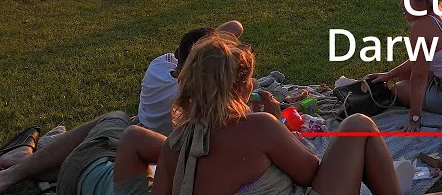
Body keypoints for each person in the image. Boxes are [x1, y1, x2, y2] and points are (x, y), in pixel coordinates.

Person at [152, 33, 404, 195]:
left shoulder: (174, 145)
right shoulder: (259, 127)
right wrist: (281, 126)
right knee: (358, 124)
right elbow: (311, 173)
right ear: (240, 87)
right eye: (250, 80)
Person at [0, 109, 163, 195]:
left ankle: (5, 177)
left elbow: (133, 138)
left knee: (118, 118)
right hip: (81, 179)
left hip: (84, 170)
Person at [138, 20, 245, 136]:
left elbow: (235, 26)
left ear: (177, 53)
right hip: (170, 143)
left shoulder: (159, 64)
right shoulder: (199, 94)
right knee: (253, 84)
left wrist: (211, 44)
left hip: (145, 125)